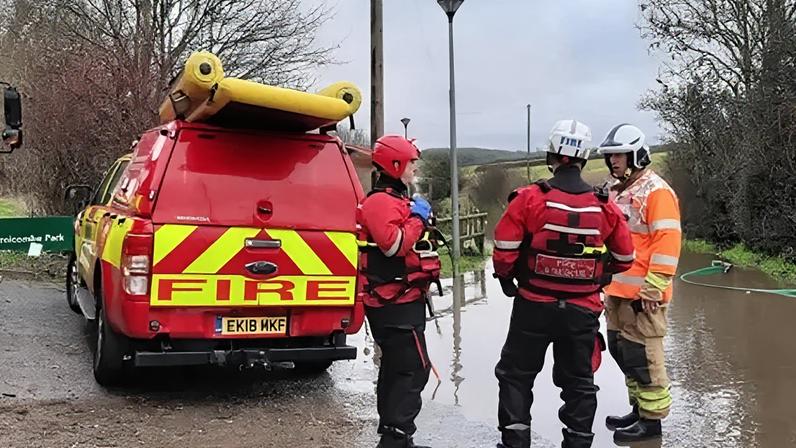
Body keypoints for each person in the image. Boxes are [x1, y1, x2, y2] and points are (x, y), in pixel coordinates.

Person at [492, 120, 635, 448]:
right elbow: (626, 257)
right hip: (583, 309)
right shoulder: (604, 206)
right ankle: (577, 442)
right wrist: (597, 274)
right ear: (584, 157)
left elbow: (504, 251)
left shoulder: (528, 198)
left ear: (551, 154)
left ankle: (515, 442)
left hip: (533, 304)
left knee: (516, 375)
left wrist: (506, 280)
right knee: (579, 383)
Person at [598, 123, 681, 443]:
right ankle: (638, 410)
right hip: (616, 290)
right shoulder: (618, 190)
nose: (613, 161)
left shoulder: (656, 191)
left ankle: (652, 425)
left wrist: (654, 286)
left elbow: (667, 241)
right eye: (609, 156)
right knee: (623, 353)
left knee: (645, 357)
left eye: (618, 155)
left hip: (644, 294)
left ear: (636, 154)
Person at [357, 134, 441, 448]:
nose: (414, 170)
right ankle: (397, 439)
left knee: (395, 367)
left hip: (401, 298)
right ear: (395, 164)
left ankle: (395, 437)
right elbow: (394, 245)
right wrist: (418, 218)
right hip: (394, 302)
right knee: (414, 370)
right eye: (411, 164)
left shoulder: (393, 200)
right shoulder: (380, 202)